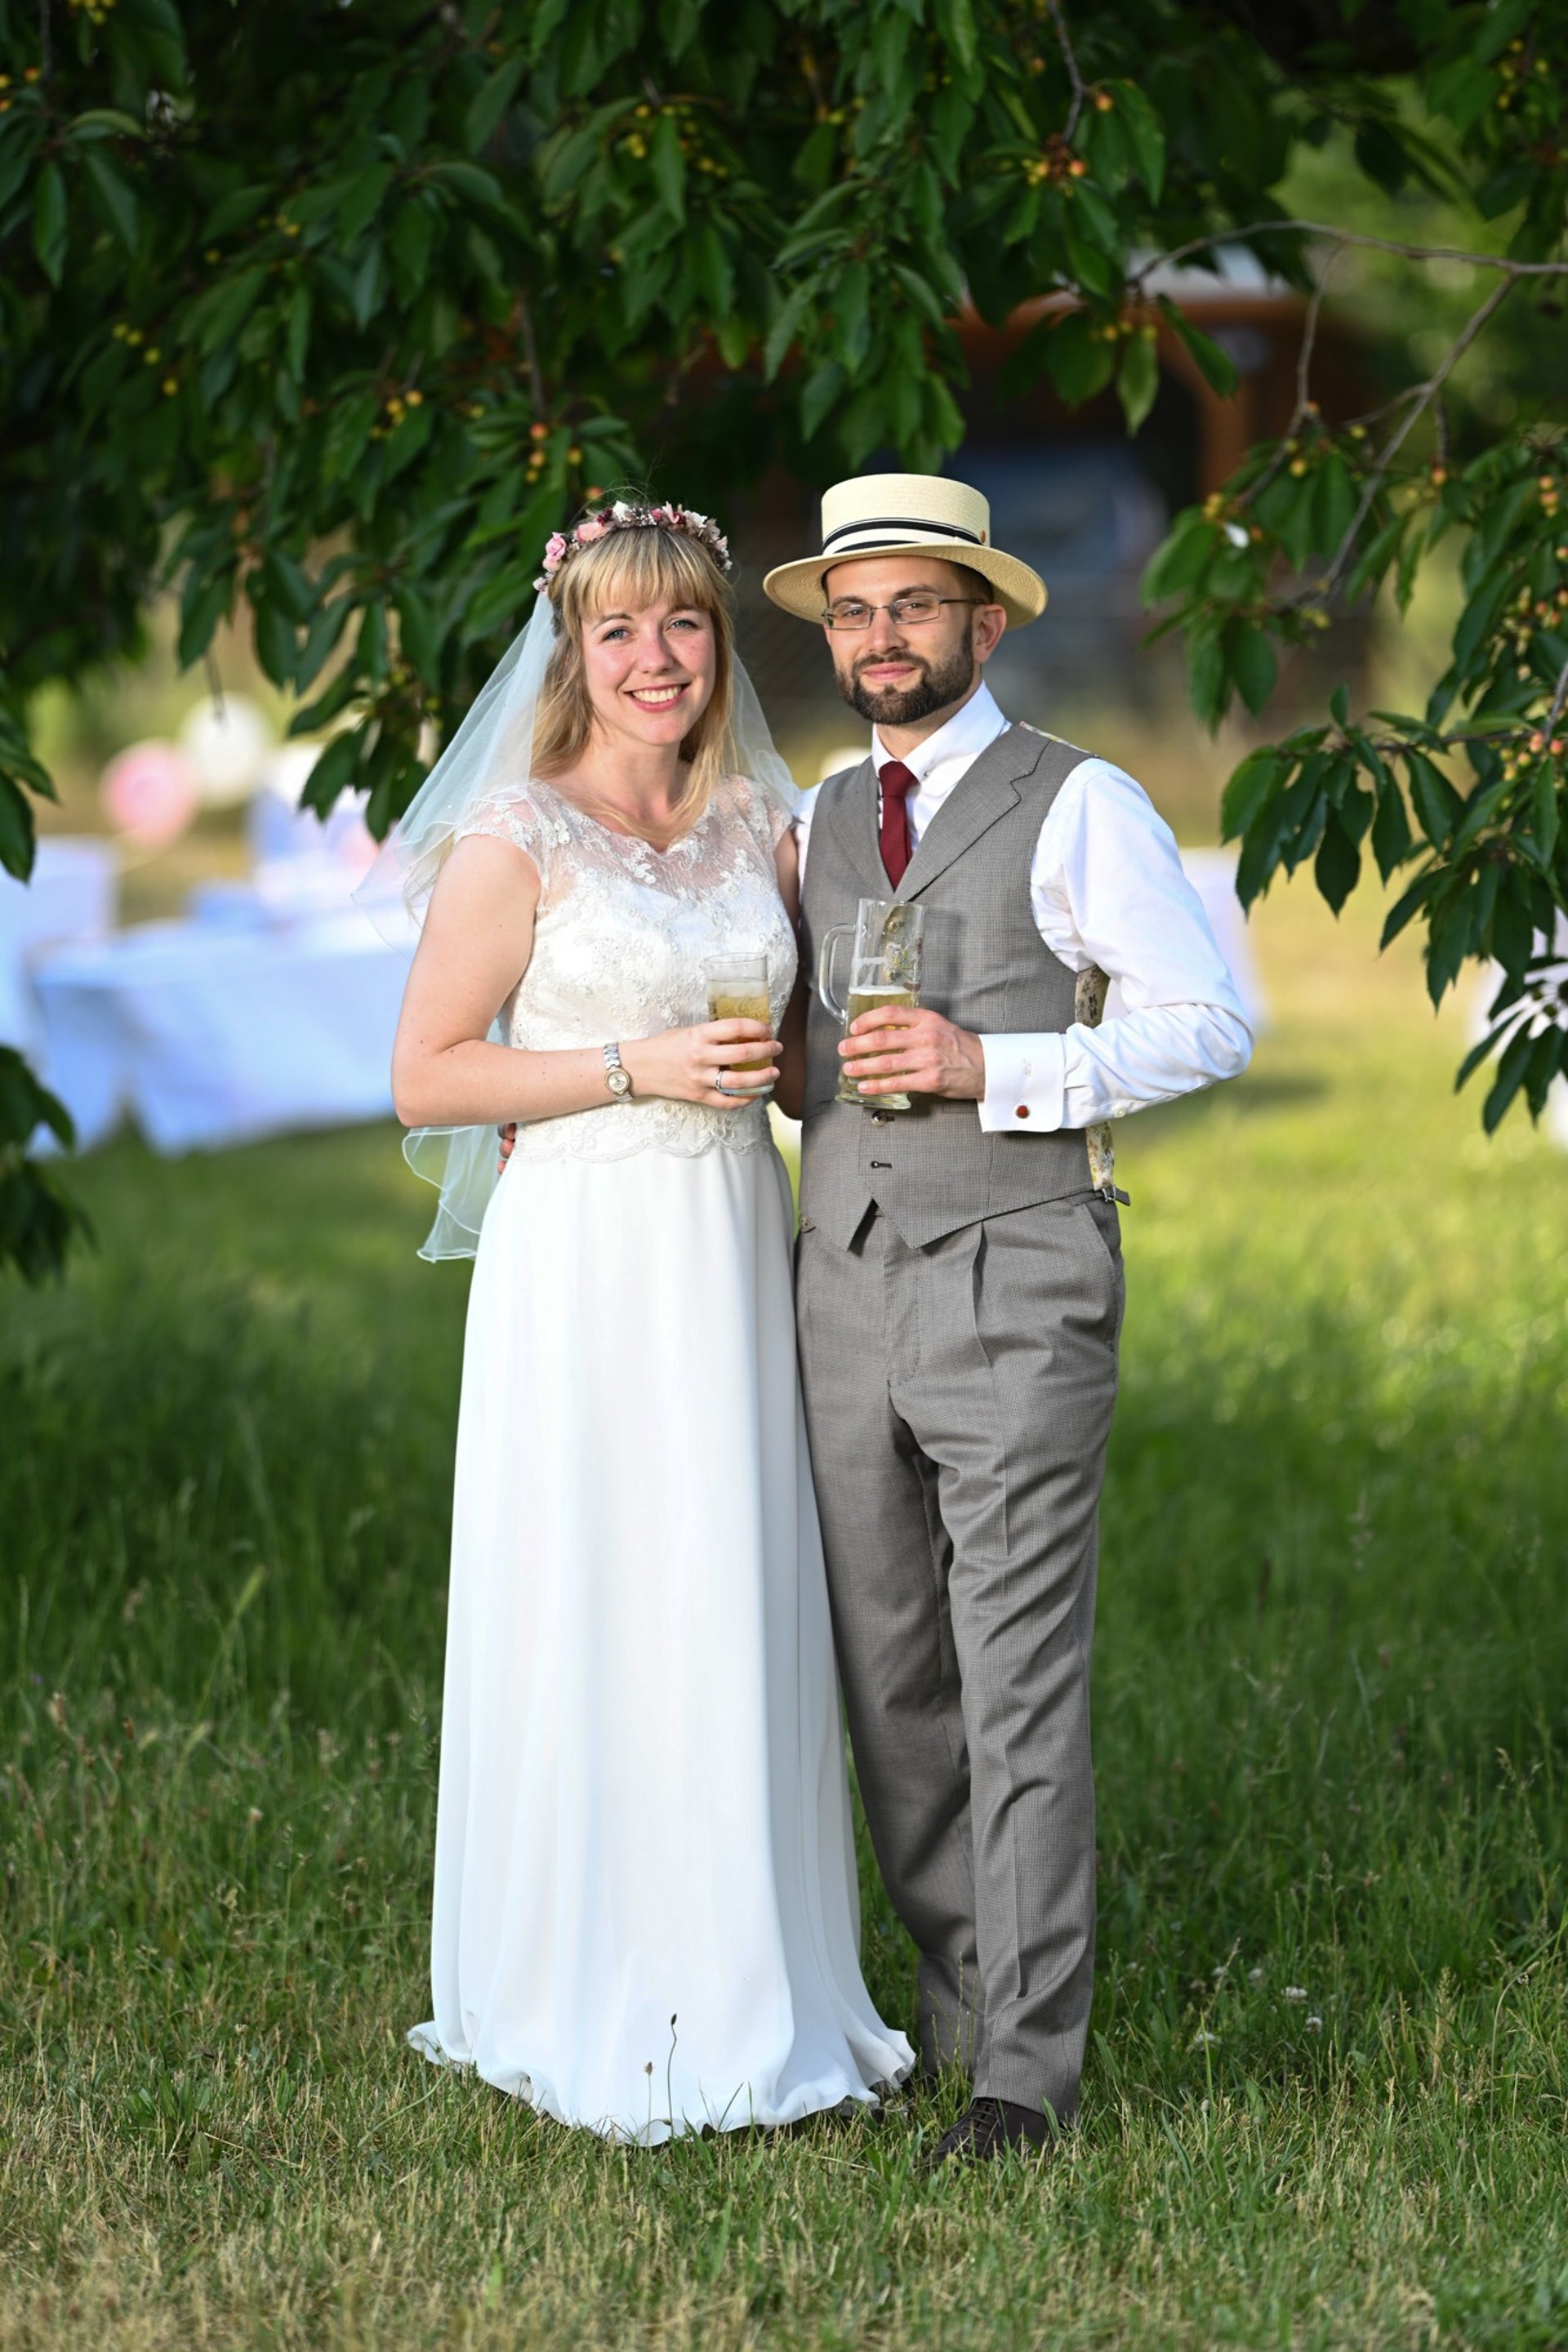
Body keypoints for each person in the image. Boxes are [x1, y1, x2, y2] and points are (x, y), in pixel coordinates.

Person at [381, 499, 911, 2143]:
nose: (657, 658)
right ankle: (577, 1982)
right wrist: (631, 1066)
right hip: (588, 1257)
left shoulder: (765, 823)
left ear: (717, 642)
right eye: (618, 630)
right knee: (601, 1582)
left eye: (684, 623)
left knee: (728, 1582)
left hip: (731, 1245)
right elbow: (428, 1076)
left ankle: (752, 1981)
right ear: (573, 651)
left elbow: (807, 1064)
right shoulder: (517, 837)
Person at [762, 472, 1253, 2164]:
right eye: (853, 612)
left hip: (1020, 1278)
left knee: (1015, 1679)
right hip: (841, 1287)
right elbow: (799, 1057)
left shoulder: (1080, 800)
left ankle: (1023, 2079)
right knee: (892, 1681)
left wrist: (997, 1066)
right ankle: (957, 2006)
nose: (880, 637)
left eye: (913, 605)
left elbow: (1207, 1022)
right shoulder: (820, 815)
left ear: (983, 621)